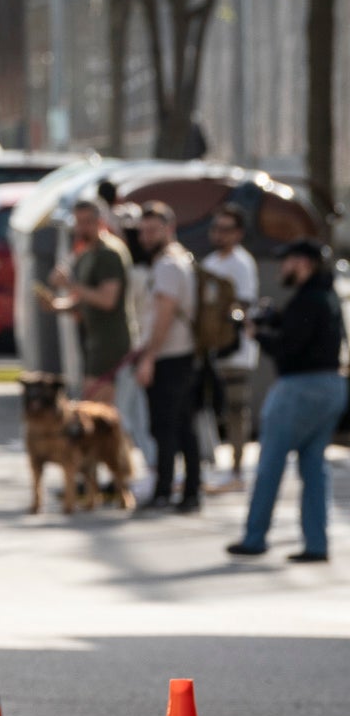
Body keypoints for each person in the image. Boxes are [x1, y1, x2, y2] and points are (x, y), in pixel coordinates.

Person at [227, 239, 347, 562]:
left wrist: (255, 334)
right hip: (332, 386)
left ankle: (254, 537)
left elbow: (288, 348)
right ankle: (316, 544)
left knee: (270, 463)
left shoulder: (307, 300)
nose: (283, 267)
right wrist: (273, 319)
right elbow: (301, 332)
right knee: (314, 466)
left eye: (288, 261)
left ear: (304, 264)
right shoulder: (326, 297)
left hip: (299, 388)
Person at [132, 202, 201, 513]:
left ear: (169, 229)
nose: (146, 237)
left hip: (170, 357)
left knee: (166, 427)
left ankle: (166, 490)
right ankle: (189, 492)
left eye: (152, 230)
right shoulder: (177, 260)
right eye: (143, 231)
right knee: (183, 426)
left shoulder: (168, 266)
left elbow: (165, 314)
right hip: (179, 356)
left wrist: (149, 357)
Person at [45, 198, 134, 405]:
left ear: (99, 222)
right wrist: (57, 305)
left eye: (87, 222)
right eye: (79, 222)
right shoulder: (86, 253)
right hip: (94, 343)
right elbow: (86, 299)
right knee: (91, 403)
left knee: (97, 409)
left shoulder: (108, 253)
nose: (82, 228)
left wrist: (68, 285)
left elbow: (107, 300)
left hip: (110, 344)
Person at [195, 205, 258, 491]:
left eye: (226, 229)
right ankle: (210, 465)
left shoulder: (242, 264)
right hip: (210, 349)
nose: (219, 234)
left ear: (238, 233)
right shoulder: (210, 262)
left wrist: (227, 326)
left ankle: (236, 470)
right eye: (216, 228)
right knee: (207, 408)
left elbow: (243, 304)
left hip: (235, 350)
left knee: (236, 409)